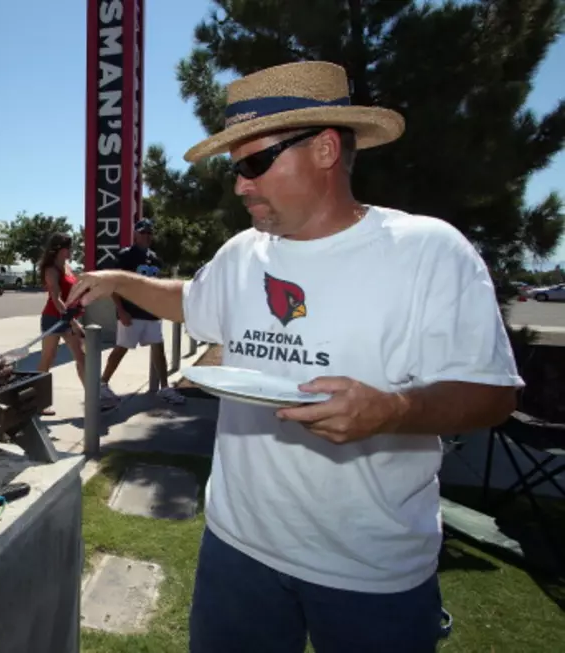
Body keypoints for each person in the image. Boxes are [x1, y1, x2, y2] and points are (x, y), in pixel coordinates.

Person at [66, 61, 522, 653]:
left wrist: (393, 410)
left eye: (255, 164)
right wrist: (119, 280)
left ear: (326, 149)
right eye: (235, 170)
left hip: (372, 571)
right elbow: (190, 300)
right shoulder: (241, 254)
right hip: (237, 550)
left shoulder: (428, 252)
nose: (240, 186)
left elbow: (493, 393)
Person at [100, 218, 185, 405]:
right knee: (122, 348)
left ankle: (164, 387)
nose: (146, 236)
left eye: (149, 233)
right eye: (142, 232)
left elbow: (158, 286)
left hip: (152, 312)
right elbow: (113, 285)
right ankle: (102, 383)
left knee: (158, 347)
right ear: (135, 234)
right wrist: (121, 310)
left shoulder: (155, 258)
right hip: (131, 312)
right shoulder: (125, 256)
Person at [37, 232, 86, 416]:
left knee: (81, 357)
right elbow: (56, 299)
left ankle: (94, 398)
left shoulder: (67, 266)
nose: (71, 251)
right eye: (69, 247)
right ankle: (39, 402)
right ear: (60, 249)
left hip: (68, 317)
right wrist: (73, 322)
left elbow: (72, 290)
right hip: (53, 318)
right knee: (48, 358)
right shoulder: (51, 270)